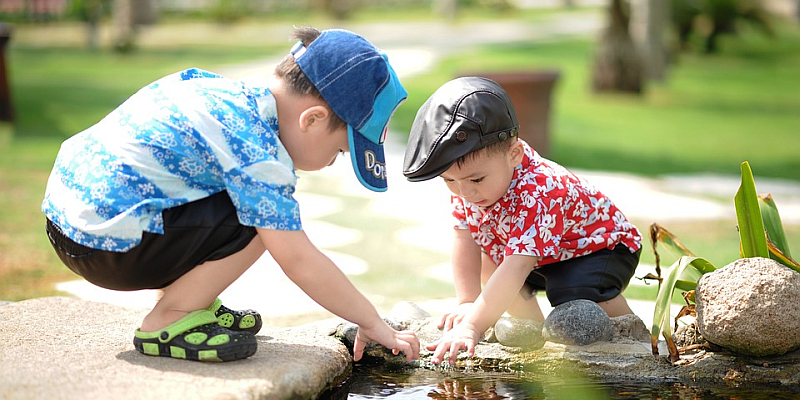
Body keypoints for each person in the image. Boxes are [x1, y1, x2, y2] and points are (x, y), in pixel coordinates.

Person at [42, 27, 419, 363]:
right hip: (105, 246)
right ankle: (169, 319)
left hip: (70, 221)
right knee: (265, 221)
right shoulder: (258, 152)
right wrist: (370, 321)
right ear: (313, 120)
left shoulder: (225, 95)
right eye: (339, 152)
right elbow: (298, 259)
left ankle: (192, 301)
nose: (330, 163)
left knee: (247, 202)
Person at [402, 77, 642, 365]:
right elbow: (464, 238)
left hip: (600, 249)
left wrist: (472, 326)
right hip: (543, 255)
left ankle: (632, 335)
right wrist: (468, 302)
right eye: (449, 181)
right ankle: (534, 335)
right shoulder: (469, 186)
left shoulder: (540, 189)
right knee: (490, 260)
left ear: (514, 154)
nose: (465, 192)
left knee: (571, 292)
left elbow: (518, 265)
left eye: (476, 179)